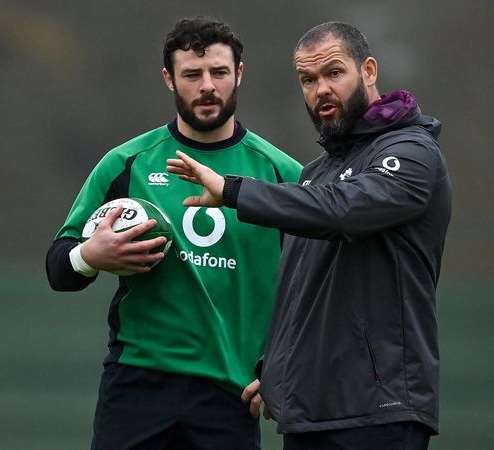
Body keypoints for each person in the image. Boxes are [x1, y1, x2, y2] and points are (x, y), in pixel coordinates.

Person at [167, 21, 451, 450]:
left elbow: (342, 211)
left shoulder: (411, 152)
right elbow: (301, 288)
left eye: (334, 73)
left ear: (369, 71)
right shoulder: (316, 174)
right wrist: (277, 370)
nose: (321, 89)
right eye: (308, 79)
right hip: (310, 414)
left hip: (380, 412)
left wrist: (233, 190)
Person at [46, 17, 302, 450]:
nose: (207, 86)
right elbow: (58, 267)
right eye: (191, 74)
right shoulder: (126, 164)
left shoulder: (283, 176)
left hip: (231, 393)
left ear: (239, 73)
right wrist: (92, 256)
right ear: (169, 79)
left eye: (219, 72)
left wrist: (286, 367)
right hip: (136, 387)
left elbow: (318, 288)